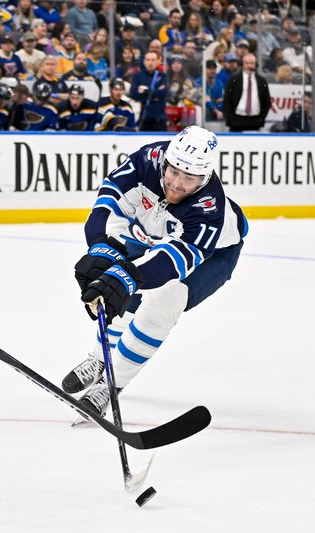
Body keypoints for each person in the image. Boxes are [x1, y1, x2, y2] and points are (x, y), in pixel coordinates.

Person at [62, 126, 247, 419]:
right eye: (174, 172)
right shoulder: (147, 160)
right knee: (120, 291)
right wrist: (99, 247)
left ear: (205, 177)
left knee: (164, 300)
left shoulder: (209, 206)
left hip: (212, 256)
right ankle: (100, 359)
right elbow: (109, 200)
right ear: (165, 162)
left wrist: (128, 276)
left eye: (190, 179)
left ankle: (112, 384)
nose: (177, 184)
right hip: (154, 234)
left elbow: (176, 260)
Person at [223, 53, 270, 132]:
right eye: (247, 63)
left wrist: (261, 119)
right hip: (237, 120)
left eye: (251, 63)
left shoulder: (261, 81)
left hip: (255, 121)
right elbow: (227, 100)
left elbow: (267, 101)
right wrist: (231, 119)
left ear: (256, 64)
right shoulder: (233, 79)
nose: (249, 66)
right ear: (242, 64)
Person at [130, 50, 168, 131]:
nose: (150, 62)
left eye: (153, 60)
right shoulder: (137, 76)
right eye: (148, 60)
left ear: (157, 61)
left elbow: (164, 93)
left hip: (159, 118)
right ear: (144, 61)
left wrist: (145, 91)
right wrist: (155, 96)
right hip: (143, 117)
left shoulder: (163, 76)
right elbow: (134, 94)